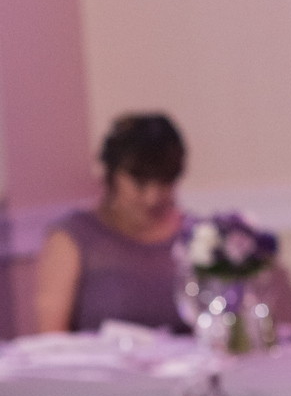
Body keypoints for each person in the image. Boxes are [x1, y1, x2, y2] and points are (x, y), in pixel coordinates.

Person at [34, 113, 190, 334]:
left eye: (164, 182)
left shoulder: (198, 236)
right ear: (112, 175)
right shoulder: (74, 236)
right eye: (140, 183)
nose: (152, 198)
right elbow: (51, 338)